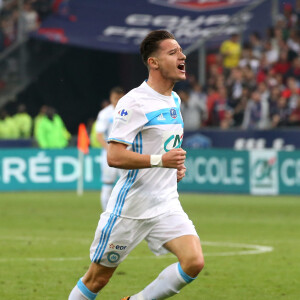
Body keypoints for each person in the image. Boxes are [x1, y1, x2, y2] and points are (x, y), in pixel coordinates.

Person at [68, 30, 204, 300]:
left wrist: (174, 167)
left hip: (166, 202)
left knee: (194, 262)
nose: (182, 55)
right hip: (132, 207)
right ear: (153, 62)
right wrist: (160, 161)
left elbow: (163, 148)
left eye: (181, 50)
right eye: (173, 52)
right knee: (97, 279)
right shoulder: (134, 102)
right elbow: (114, 156)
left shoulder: (174, 100)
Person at [95, 86, 125, 211]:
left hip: (126, 153)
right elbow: (98, 135)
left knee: (128, 184)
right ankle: (106, 214)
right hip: (110, 153)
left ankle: (125, 213)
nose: (117, 101)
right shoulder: (105, 114)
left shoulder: (129, 111)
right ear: (111, 98)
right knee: (107, 185)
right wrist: (110, 150)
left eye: (120, 98)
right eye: (115, 98)